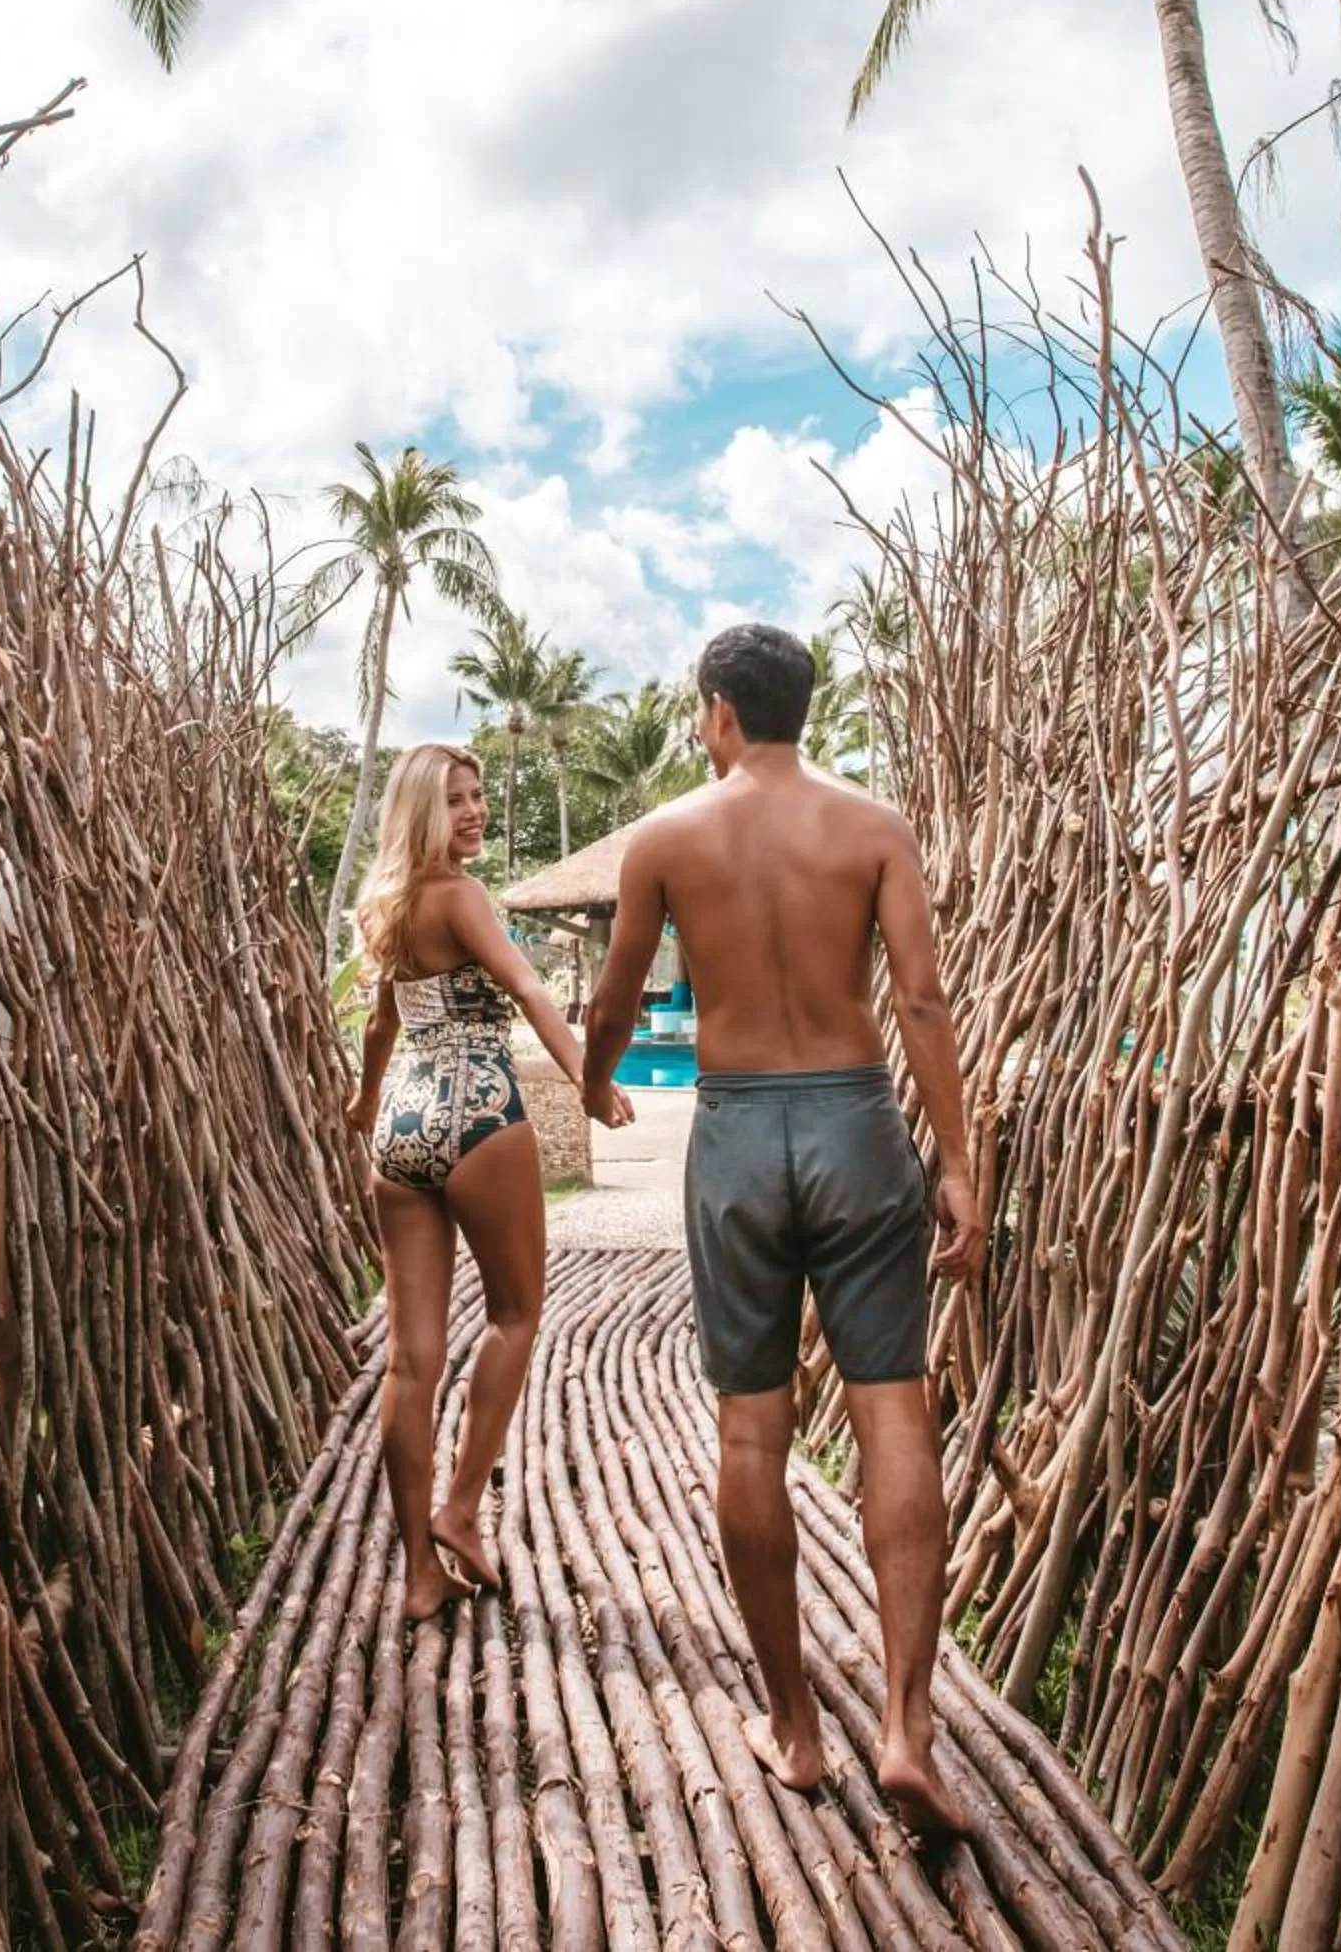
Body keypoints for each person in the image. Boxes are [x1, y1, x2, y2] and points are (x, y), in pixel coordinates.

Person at [582, 623, 984, 1832]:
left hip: (740, 1134)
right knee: (892, 1407)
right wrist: (955, 1159)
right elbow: (917, 996)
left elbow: (615, 990)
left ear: (716, 711)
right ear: (801, 707)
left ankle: (796, 1729)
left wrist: (601, 1080)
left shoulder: (665, 837)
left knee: (751, 1436)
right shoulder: (871, 826)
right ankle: (908, 1732)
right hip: (859, 1124)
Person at [347, 743, 634, 1618]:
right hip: (476, 1112)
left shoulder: (386, 905)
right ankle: (462, 1510)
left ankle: (418, 1576)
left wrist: (364, 1105)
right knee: (515, 1314)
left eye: (478, 798)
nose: (475, 812)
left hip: (401, 1129)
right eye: (457, 800)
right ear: (423, 811)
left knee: (410, 1359)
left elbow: (380, 1027)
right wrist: (587, 1079)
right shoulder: (462, 896)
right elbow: (531, 992)